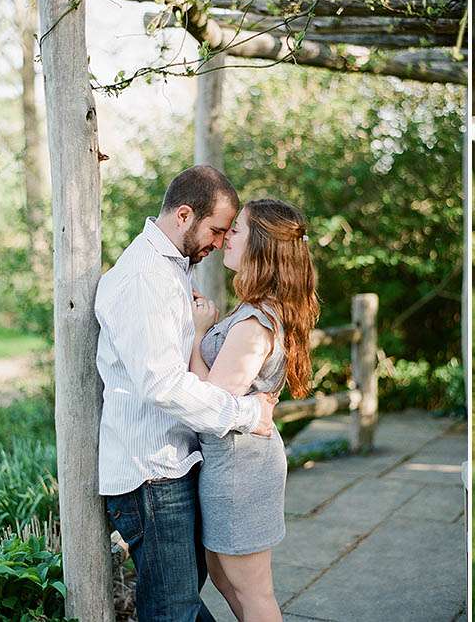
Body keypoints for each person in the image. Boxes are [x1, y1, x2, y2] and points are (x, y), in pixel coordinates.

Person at [96, 165, 277, 622]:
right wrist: (244, 413)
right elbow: (162, 384)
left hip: (173, 466)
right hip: (151, 476)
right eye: (216, 230)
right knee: (173, 612)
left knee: (178, 608)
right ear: (183, 215)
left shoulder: (171, 268)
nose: (220, 243)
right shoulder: (145, 278)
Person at [189, 198, 320, 621]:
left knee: (253, 590)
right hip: (231, 459)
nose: (226, 237)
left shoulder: (254, 321)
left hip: (240, 465)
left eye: (237, 230)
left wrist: (197, 336)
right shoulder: (256, 309)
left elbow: (213, 399)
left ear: (260, 246)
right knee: (225, 577)